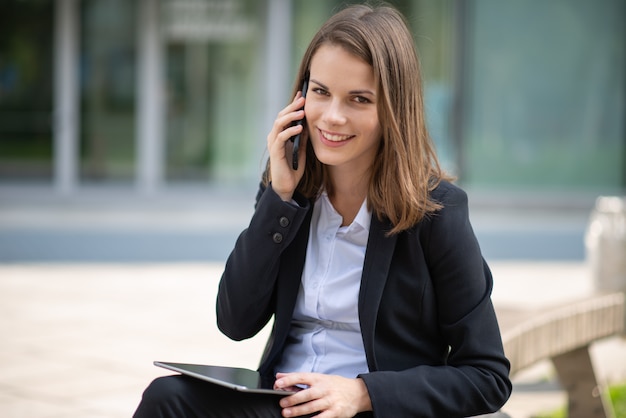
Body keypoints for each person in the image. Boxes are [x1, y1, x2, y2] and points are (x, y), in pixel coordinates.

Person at [134, 3, 511, 417]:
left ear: (393, 110)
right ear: (300, 97)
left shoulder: (437, 212)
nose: (332, 117)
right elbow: (235, 321)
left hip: (367, 410)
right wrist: (279, 199)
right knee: (166, 399)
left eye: (359, 99)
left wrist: (362, 393)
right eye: (321, 92)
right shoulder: (288, 191)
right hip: (281, 404)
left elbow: (487, 376)